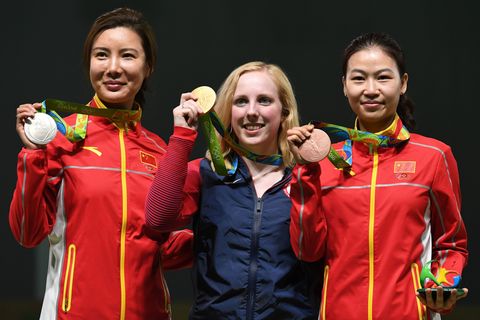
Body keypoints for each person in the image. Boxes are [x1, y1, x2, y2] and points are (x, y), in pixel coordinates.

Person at [9, 7, 192, 320]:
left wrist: (213, 236)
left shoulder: (159, 151)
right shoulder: (60, 138)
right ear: (89, 63)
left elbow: (157, 248)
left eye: (128, 56)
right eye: (102, 55)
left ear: (148, 67)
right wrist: (32, 155)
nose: (113, 68)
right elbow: (28, 233)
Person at [287, 32, 469, 319]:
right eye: (358, 79)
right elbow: (307, 250)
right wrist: (305, 171)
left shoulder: (434, 156)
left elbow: (452, 244)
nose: (370, 89)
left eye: (383, 77)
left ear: (403, 83)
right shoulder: (323, 162)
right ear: (344, 86)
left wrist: (442, 285)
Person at [145, 61, 323, 319]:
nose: (251, 111)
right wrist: (182, 136)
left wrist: (306, 176)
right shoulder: (206, 174)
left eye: (264, 100)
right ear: (227, 111)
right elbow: (158, 219)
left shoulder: (305, 179)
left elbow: (316, 252)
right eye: (240, 101)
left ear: (284, 112)